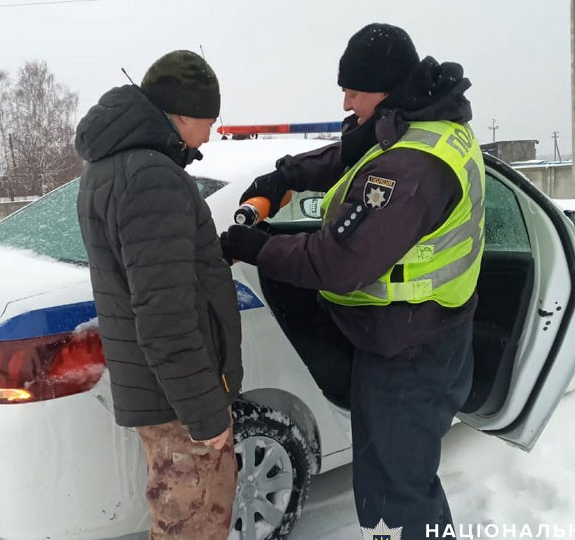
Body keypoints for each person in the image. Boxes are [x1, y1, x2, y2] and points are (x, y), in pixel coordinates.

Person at [221, 23, 485, 538]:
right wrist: (287, 176)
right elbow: (351, 153)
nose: (345, 101)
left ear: (384, 88)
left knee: (398, 492)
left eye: (354, 90)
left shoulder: (412, 167)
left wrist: (255, 248)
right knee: (393, 478)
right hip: (420, 333)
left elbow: (339, 261)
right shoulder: (417, 123)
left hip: (411, 351)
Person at [75, 50, 243, 540]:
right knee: (193, 522)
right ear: (182, 113)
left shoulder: (111, 166)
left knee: (179, 518)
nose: (210, 133)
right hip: (178, 402)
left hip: (159, 391)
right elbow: (164, 314)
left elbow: (152, 274)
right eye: (208, 121)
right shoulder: (152, 177)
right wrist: (206, 412)